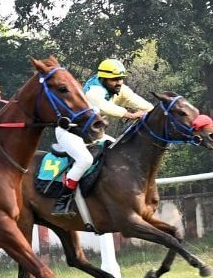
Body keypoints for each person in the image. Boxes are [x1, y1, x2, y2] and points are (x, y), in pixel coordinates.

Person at [47, 59, 156, 217]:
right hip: (70, 132)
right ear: (104, 79)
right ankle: (61, 201)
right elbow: (106, 107)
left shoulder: (119, 88)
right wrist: (131, 115)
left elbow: (139, 102)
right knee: (85, 160)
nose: (119, 82)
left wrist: (153, 111)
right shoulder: (93, 92)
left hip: (91, 133)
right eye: (115, 80)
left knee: (119, 152)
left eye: (121, 78)